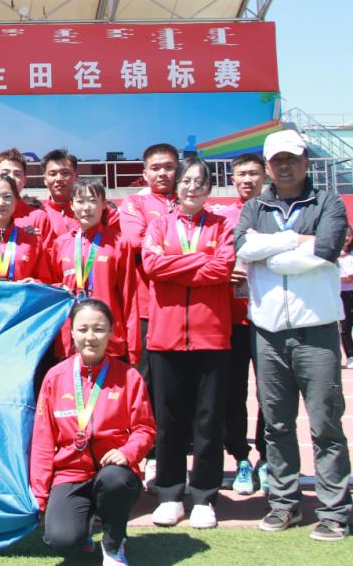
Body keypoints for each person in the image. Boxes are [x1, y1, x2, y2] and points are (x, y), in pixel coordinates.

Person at [235, 129, 351, 541]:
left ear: (305, 162)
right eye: (277, 160)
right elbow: (243, 248)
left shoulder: (328, 202)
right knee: (277, 425)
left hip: (316, 330)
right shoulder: (254, 206)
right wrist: (294, 241)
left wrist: (276, 256)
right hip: (268, 333)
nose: (284, 166)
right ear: (268, 167)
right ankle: (284, 503)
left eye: (292, 159)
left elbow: (328, 248)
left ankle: (335, 510)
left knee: (325, 425)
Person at [142, 157, 234, 529]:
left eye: (200, 182)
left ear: (209, 188)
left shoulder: (222, 225)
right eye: (186, 181)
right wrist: (199, 260)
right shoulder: (159, 224)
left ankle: (204, 497)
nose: (192, 187)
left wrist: (177, 263)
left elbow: (223, 267)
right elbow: (152, 266)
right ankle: (169, 494)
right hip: (165, 338)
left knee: (208, 421)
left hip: (211, 336)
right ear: (176, 187)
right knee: (169, 421)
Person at [31, 298, 155, 566]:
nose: (90, 337)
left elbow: (145, 428)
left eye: (99, 329)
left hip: (114, 472)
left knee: (114, 481)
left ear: (111, 332)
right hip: (71, 473)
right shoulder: (55, 377)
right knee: (61, 540)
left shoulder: (129, 376)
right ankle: (83, 533)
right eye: (83, 329)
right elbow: (42, 440)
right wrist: (40, 495)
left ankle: (113, 545)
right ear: (72, 332)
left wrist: (128, 452)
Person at [118, 142, 179, 490]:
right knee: (145, 386)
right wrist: (185, 253)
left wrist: (161, 251)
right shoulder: (135, 203)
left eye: (168, 166)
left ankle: (171, 459)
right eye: (155, 167)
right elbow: (135, 242)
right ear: (144, 173)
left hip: (184, 312)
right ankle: (146, 456)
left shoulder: (189, 202)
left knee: (178, 389)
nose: (162, 173)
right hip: (146, 310)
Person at [211, 153, 269, 495]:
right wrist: (224, 273)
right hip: (231, 319)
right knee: (233, 393)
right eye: (241, 174)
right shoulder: (222, 217)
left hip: (270, 319)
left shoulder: (275, 213)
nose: (247, 179)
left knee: (270, 394)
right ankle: (241, 458)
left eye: (253, 173)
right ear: (232, 179)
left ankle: (268, 458)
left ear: (265, 176)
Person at [51, 179, 136, 363]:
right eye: (80, 201)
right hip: (70, 340)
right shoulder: (61, 244)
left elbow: (129, 297)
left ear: (103, 204)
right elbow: (53, 290)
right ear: (71, 204)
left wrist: (134, 348)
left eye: (92, 201)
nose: (86, 207)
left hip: (109, 339)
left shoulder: (119, 243)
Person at [40, 149, 80, 238]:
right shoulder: (38, 213)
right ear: (45, 180)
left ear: (76, 177)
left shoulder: (89, 211)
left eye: (65, 173)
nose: (59, 179)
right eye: (52, 174)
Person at [340, 226, 353, 369]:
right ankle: (350, 356)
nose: (347, 238)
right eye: (345, 235)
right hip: (342, 294)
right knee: (345, 326)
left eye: (349, 235)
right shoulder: (333, 253)